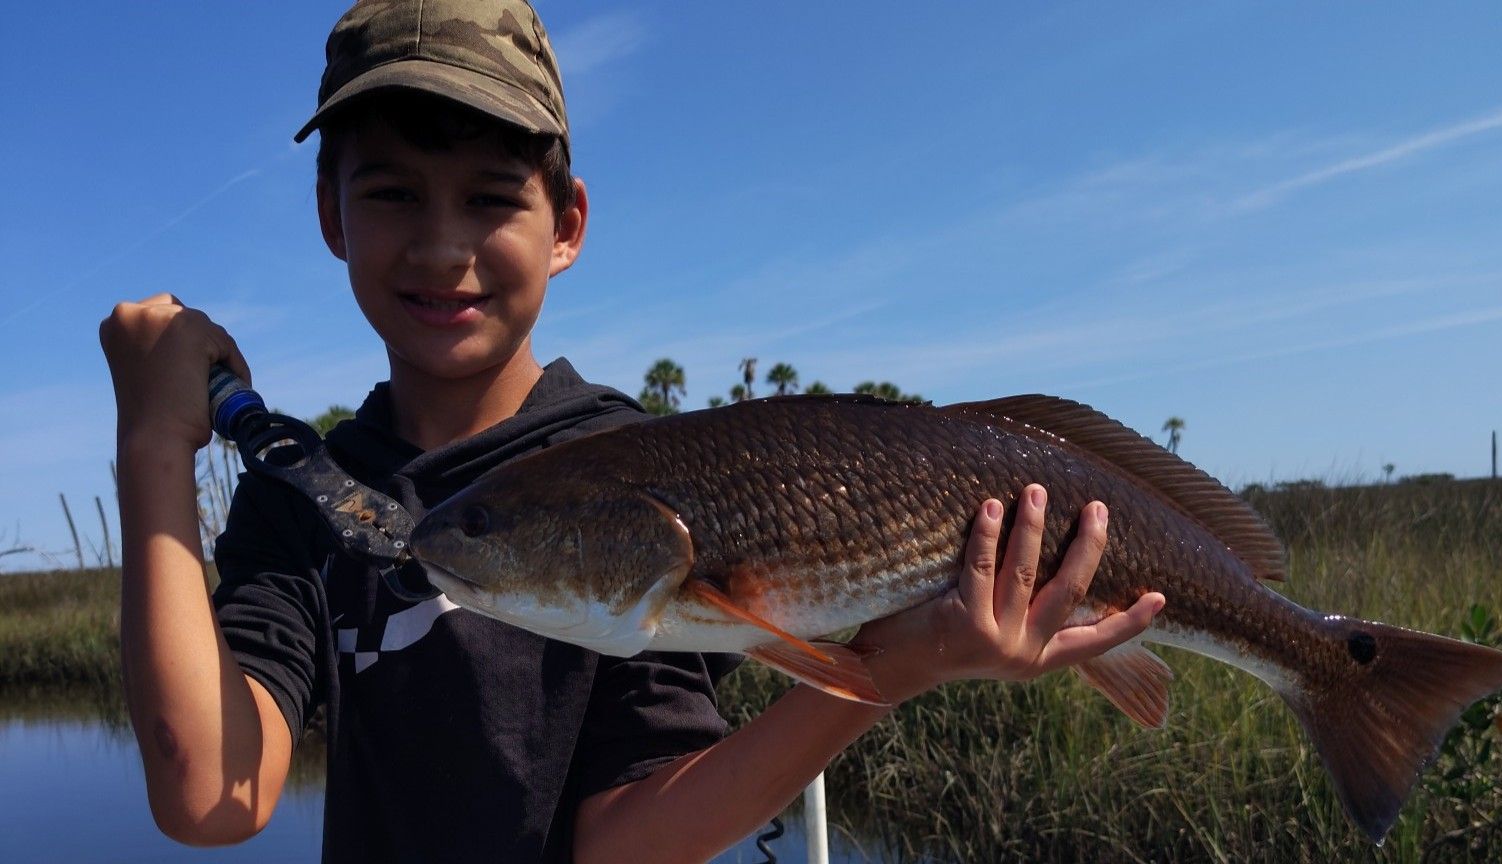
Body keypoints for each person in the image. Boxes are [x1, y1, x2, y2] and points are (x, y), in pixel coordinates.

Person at [98, 2, 1166, 861]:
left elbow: (628, 840)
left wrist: (906, 663)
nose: (441, 245)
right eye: (391, 194)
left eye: (489, 197)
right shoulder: (303, 499)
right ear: (330, 213)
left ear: (565, 226)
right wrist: (154, 446)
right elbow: (210, 799)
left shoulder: (650, 476)